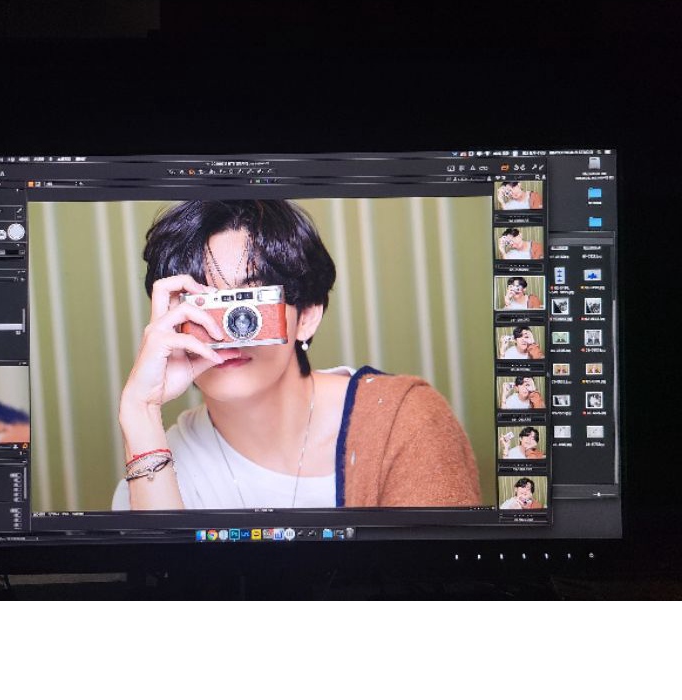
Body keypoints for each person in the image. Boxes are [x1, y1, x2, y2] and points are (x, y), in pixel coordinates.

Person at [113, 199, 480, 510]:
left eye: (249, 303)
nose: (229, 330)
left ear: (306, 315)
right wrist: (140, 410)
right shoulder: (152, 464)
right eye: (205, 306)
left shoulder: (402, 422)